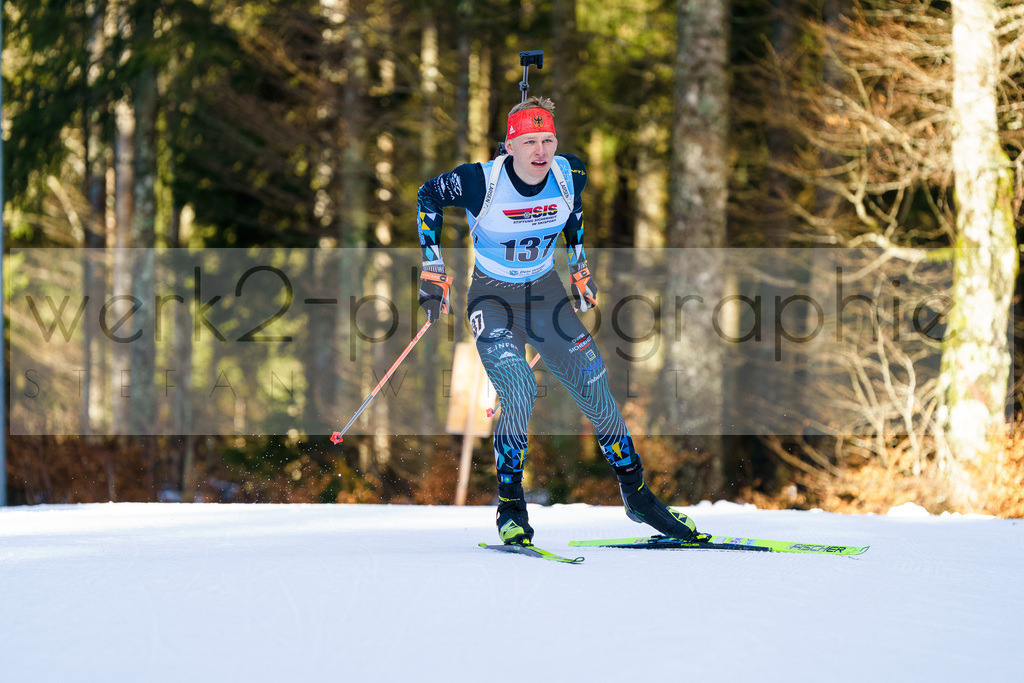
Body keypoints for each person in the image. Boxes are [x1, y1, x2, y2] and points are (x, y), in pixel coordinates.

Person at [416, 96, 699, 545]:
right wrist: (432, 266)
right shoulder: (478, 181)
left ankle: (637, 495)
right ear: (509, 146)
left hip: (546, 296)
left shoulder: (571, 174)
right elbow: (427, 194)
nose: (541, 151)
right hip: (493, 299)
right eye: (529, 141)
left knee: (595, 384)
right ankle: (510, 506)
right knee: (520, 389)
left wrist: (580, 267)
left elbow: (575, 216)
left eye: (548, 139)